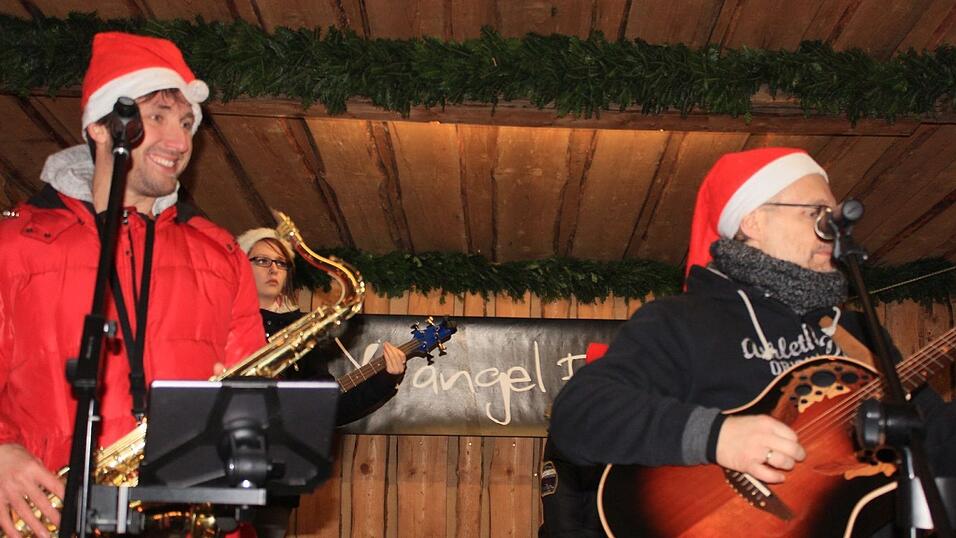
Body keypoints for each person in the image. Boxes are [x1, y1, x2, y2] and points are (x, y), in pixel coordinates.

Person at [549, 147, 956, 533]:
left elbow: (939, 443)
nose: (833, 231)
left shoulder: (861, 335)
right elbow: (581, 414)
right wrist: (717, 436)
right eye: (816, 214)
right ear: (754, 222)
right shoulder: (682, 321)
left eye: (834, 218)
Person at [0, 32, 266, 537]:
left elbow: (251, 406)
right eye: (157, 117)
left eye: (186, 123)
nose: (180, 142)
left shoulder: (222, 254)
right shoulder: (12, 245)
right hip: (47, 518)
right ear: (102, 127)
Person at [236, 228, 407, 538]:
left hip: (275, 478)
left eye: (281, 263)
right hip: (218, 466)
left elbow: (331, 407)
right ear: (239, 264)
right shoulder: (218, 321)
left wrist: (386, 379)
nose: (273, 269)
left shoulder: (301, 332)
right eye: (261, 260)